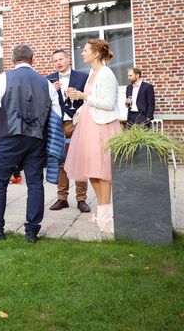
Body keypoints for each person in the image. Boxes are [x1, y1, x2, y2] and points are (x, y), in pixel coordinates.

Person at [0, 45, 61, 243]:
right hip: (37, 138)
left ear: (13, 60)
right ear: (32, 59)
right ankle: (32, 230)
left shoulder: (4, 78)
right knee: (34, 184)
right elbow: (57, 114)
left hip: (10, 136)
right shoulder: (47, 83)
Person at [65, 39, 121, 234]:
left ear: (97, 53)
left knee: (104, 174)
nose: (82, 53)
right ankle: (101, 211)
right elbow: (90, 99)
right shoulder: (92, 73)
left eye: (86, 50)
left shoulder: (106, 74)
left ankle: (106, 218)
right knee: (93, 172)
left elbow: (109, 104)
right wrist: (78, 97)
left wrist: (84, 97)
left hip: (102, 126)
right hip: (89, 125)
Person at [46, 49, 91, 213]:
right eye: (55, 60)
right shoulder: (49, 79)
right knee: (60, 161)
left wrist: (79, 96)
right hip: (58, 124)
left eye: (60, 59)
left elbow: (89, 97)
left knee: (80, 160)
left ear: (68, 59)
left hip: (78, 122)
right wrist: (49, 89)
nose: (58, 62)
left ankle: (81, 199)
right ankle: (62, 198)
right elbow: (44, 101)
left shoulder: (82, 77)